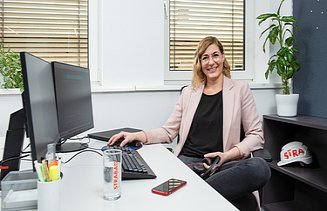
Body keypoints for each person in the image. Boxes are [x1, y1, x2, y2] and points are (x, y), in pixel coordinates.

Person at [108, 36, 270, 209]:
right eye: (204, 57)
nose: (211, 62)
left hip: (222, 166)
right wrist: (137, 135)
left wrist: (228, 155)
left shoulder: (240, 89)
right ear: (199, 62)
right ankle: (197, 195)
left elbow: (256, 135)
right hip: (188, 165)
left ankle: (192, 195)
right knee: (244, 203)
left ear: (223, 57)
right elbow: (168, 132)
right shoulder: (189, 93)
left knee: (259, 168)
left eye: (215, 55)